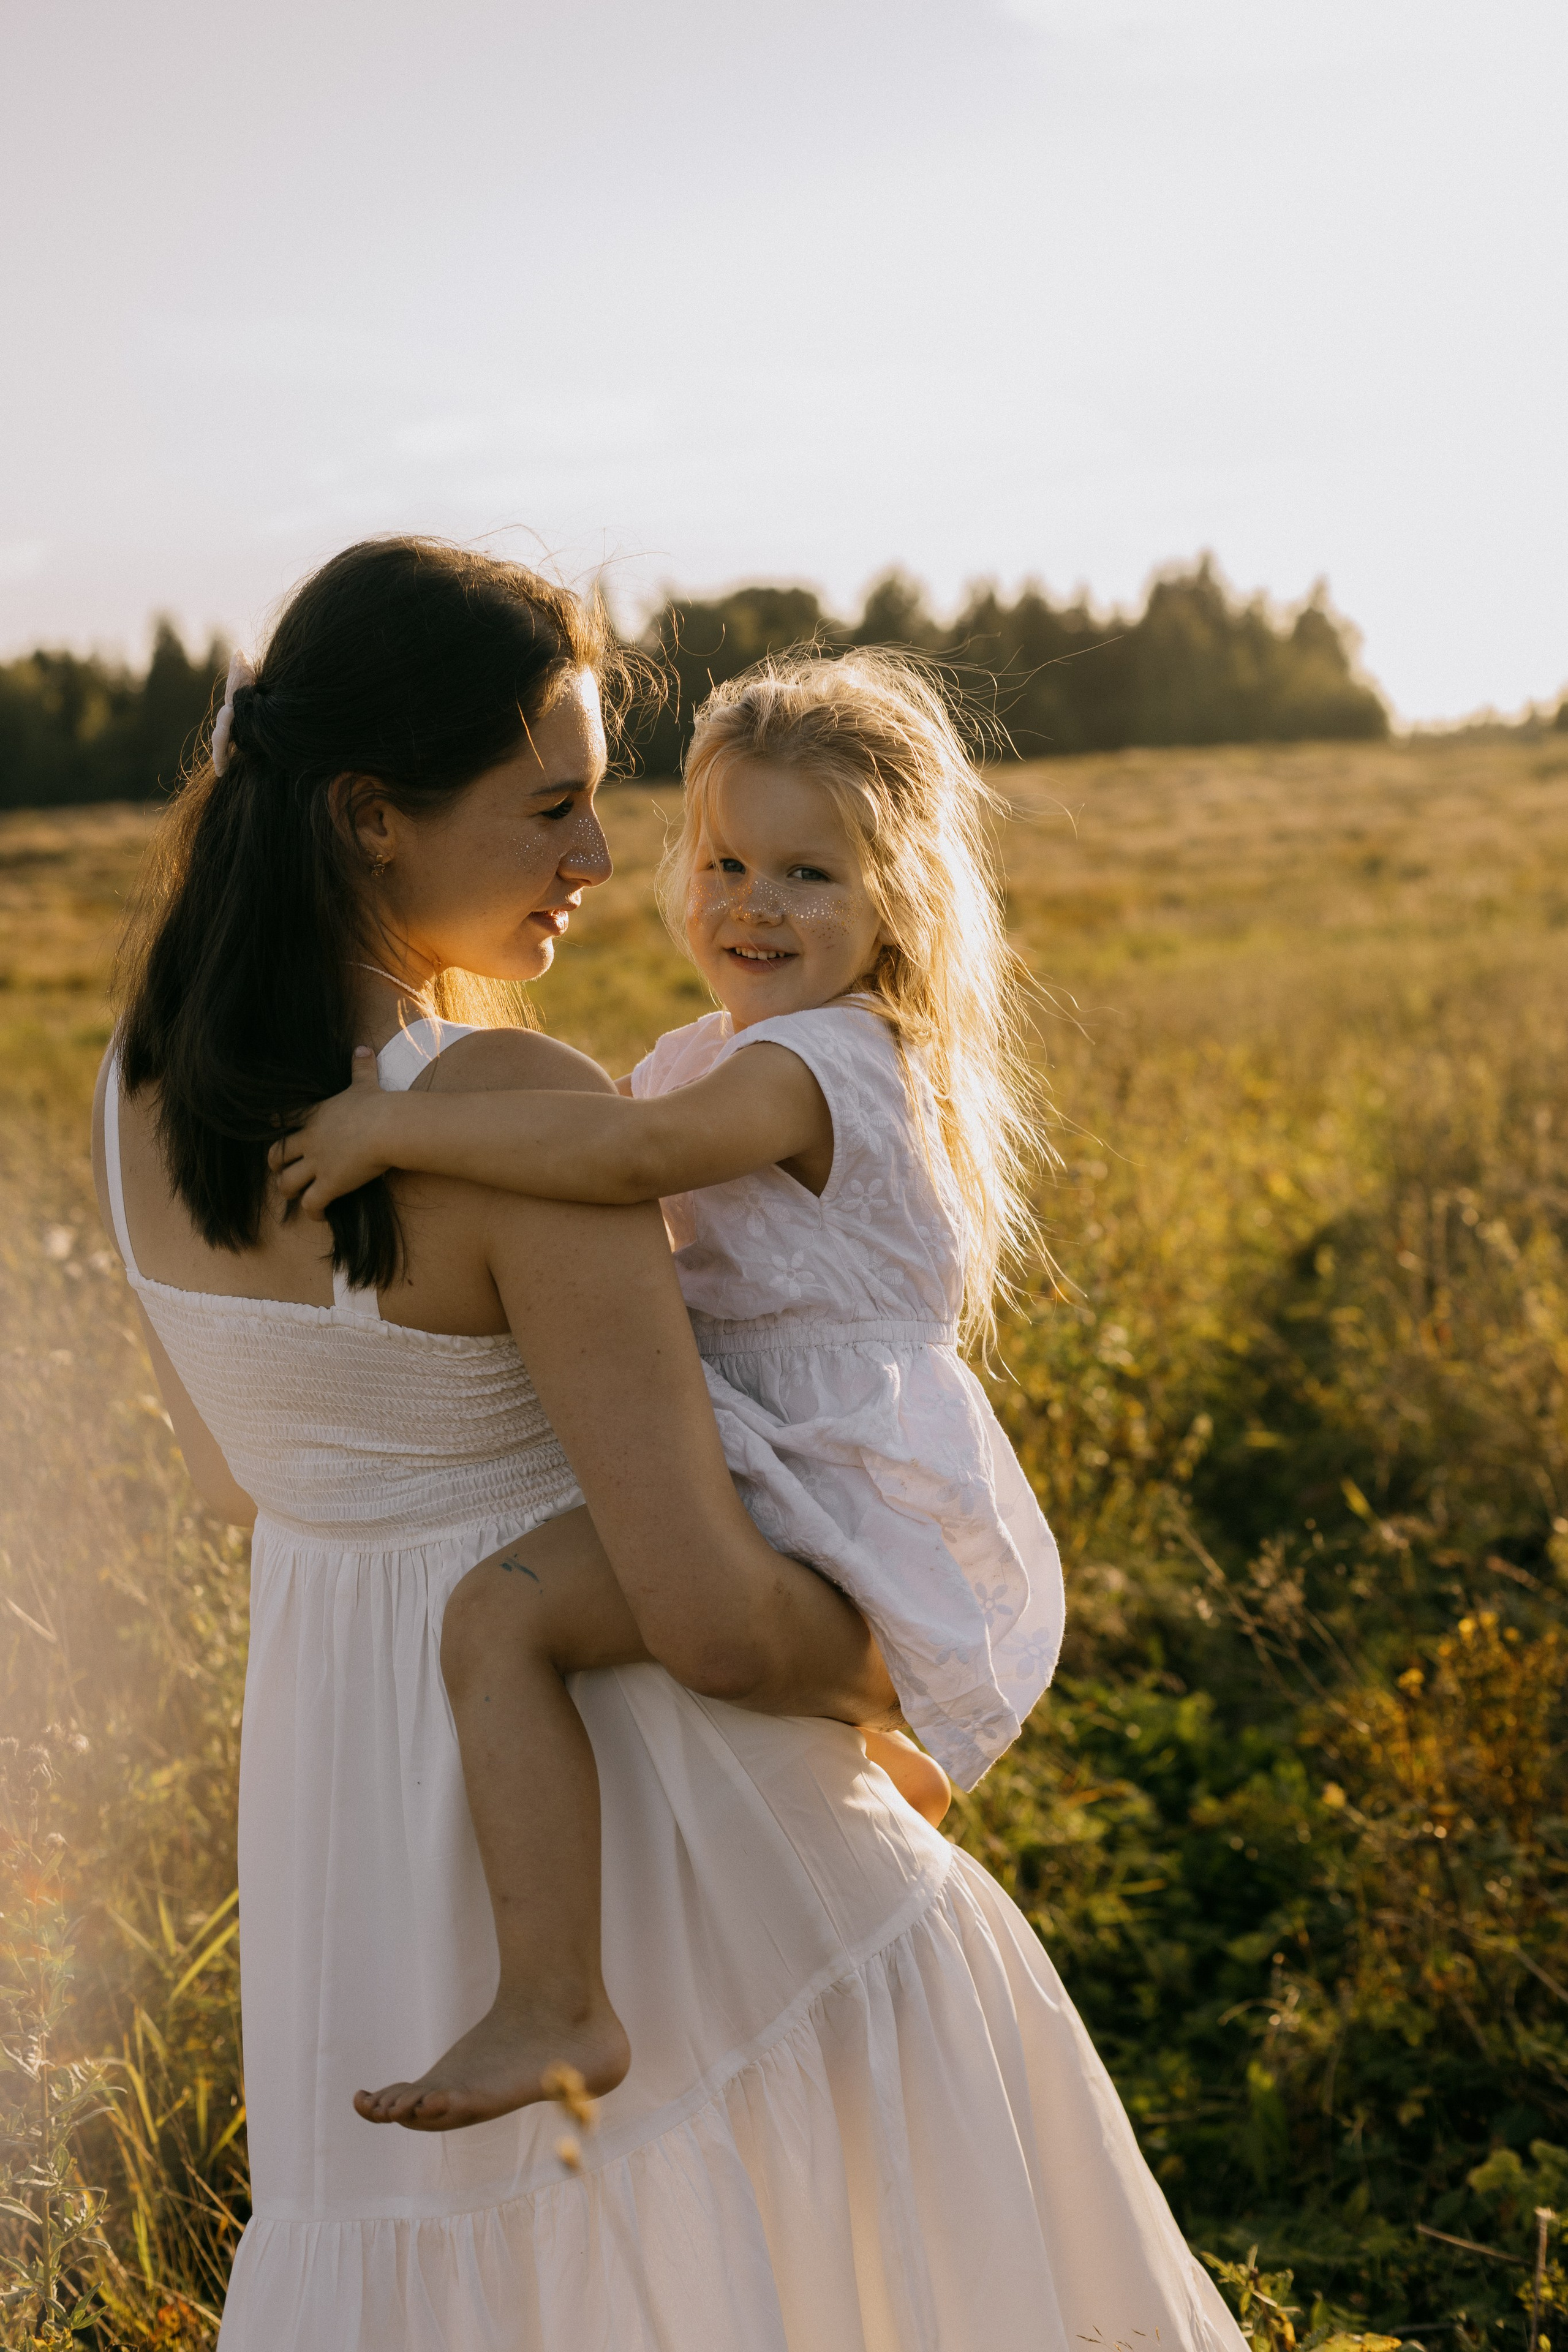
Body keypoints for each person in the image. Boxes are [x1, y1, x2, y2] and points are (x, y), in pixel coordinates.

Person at [94, 535, 1245, 2351]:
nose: (598, 858)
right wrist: (907, 1657)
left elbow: (251, 1487)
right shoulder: (511, 1108)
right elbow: (711, 1623)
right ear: (374, 817)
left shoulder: (137, 1097)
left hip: (353, 1822)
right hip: (681, 1857)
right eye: (553, 805)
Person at [273, 647, 1066, 2130]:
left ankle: (555, 2001)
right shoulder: (714, 1052)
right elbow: (585, 1181)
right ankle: (851, 1809)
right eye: (725, 863)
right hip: (783, 1452)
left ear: (897, 900)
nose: (754, 905)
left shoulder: (821, 1060)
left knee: (500, 1618)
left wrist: (396, 1129)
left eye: (808, 875)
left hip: (841, 1474)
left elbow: (623, 1162)